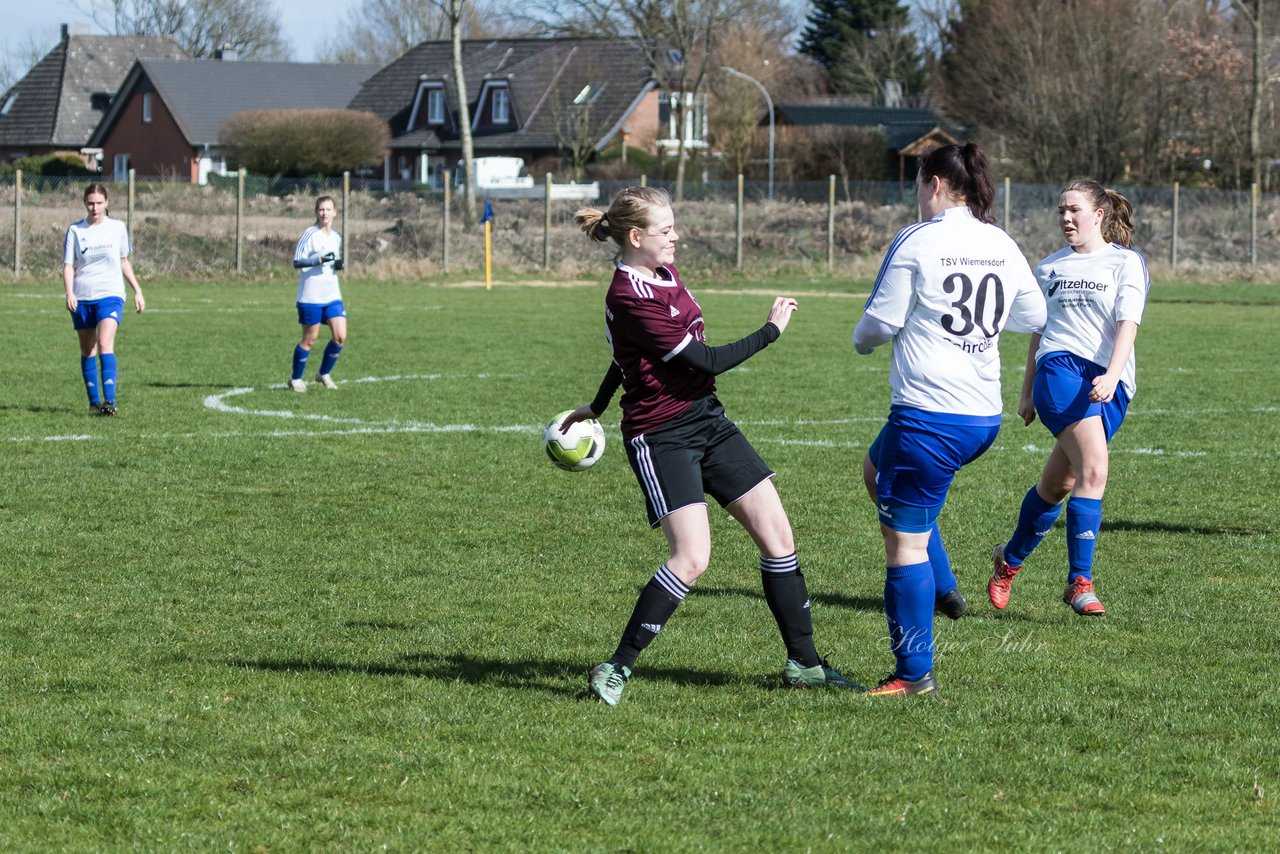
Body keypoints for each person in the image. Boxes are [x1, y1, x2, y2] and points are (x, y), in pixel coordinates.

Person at [562, 186, 860, 706]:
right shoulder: (628, 295)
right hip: (661, 435)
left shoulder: (665, 274)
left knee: (778, 536)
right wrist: (771, 330)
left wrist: (596, 405)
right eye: (666, 230)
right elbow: (706, 361)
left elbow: (627, 359)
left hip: (708, 420)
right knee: (693, 557)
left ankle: (805, 665)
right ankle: (616, 667)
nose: (676, 237)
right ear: (636, 237)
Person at [853, 143, 1047, 698]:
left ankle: (913, 675)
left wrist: (864, 341)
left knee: (903, 543)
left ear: (935, 184)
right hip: (980, 415)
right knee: (874, 472)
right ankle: (946, 589)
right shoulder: (998, 239)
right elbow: (1034, 314)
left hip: (930, 416)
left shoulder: (919, 238)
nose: (918, 198)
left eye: (919, 186)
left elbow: (876, 326)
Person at [989, 180, 1149, 616]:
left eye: (1074, 210)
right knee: (1094, 470)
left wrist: (1113, 377)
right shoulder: (1048, 268)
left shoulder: (1126, 263)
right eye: (1061, 210)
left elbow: (1128, 323)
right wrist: (1027, 391)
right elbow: (1039, 335)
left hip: (1109, 382)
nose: (1065, 218)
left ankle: (1009, 559)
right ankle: (1080, 582)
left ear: (1099, 215)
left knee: (1057, 484)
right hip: (1059, 371)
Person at [63, 182, 145, 416]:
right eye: (90, 203)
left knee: (105, 343)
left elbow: (123, 261)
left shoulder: (117, 228)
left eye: (99, 203)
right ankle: (94, 402)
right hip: (82, 296)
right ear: (84, 203)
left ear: (107, 203)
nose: (94, 208)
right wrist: (70, 292)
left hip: (111, 294)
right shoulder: (75, 231)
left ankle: (109, 402)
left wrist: (137, 290)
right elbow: (68, 266)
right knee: (88, 349)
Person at [288, 196, 346, 392]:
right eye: (321, 210)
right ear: (316, 212)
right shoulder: (310, 234)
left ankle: (323, 373)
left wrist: (339, 265)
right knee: (310, 339)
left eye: (328, 209)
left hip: (332, 295)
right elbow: (297, 261)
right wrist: (316, 260)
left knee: (340, 337)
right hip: (310, 296)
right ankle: (295, 378)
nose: (325, 213)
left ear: (334, 212)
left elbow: (334, 262)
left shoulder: (336, 237)